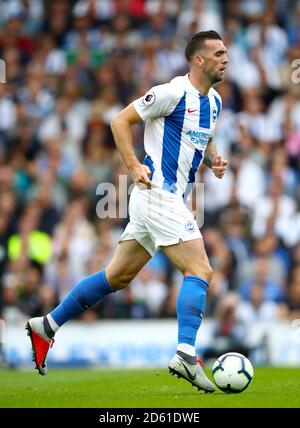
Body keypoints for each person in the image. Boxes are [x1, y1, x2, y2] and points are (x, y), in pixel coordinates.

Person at [26, 30, 228, 393]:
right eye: (218, 53)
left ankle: (48, 325)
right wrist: (134, 165)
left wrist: (213, 159)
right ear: (199, 60)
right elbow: (119, 121)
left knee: (116, 277)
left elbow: (206, 135)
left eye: (226, 52)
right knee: (200, 268)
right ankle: (185, 353)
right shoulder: (170, 93)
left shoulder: (214, 102)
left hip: (169, 198)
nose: (225, 58)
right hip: (156, 194)